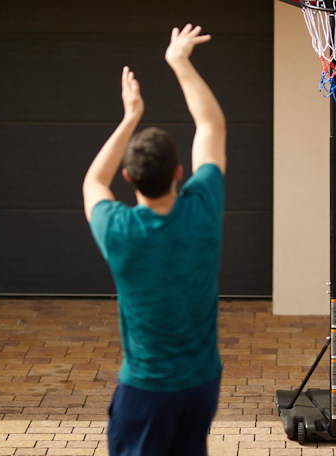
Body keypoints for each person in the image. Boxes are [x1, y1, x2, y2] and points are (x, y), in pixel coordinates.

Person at [83, 24, 226, 456]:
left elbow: (93, 180)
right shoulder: (203, 210)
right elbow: (211, 125)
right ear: (180, 173)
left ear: (129, 178)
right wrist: (178, 61)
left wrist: (130, 117)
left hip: (146, 392)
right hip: (202, 385)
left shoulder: (118, 230)